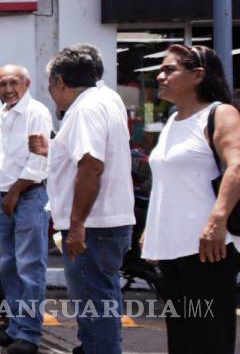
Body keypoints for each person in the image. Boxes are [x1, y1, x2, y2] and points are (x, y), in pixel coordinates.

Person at [29, 44, 134, 354]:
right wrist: (55, 148)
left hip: (94, 225)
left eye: (50, 87)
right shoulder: (106, 98)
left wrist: (76, 226)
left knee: (95, 303)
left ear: (60, 82)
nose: (51, 95)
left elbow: (90, 166)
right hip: (106, 221)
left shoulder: (85, 109)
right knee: (98, 300)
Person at [142, 45, 240, 353]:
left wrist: (217, 220)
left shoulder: (220, 113)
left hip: (207, 247)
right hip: (173, 247)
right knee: (181, 338)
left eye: (170, 70)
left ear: (198, 76)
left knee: (209, 338)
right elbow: (169, 182)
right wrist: (152, 229)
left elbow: (237, 165)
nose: (160, 76)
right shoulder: (173, 120)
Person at [0, 65, 53, 353]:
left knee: (29, 267)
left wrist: (11, 193)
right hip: (4, 198)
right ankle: (14, 328)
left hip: (27, 197)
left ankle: (30, 336)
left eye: (13, 83)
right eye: (1, 84)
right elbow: (0, 161)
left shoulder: (36, 112)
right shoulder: (1, 115)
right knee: (8, 266)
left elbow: (38, 163)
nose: (8, 89)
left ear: (26, 83)